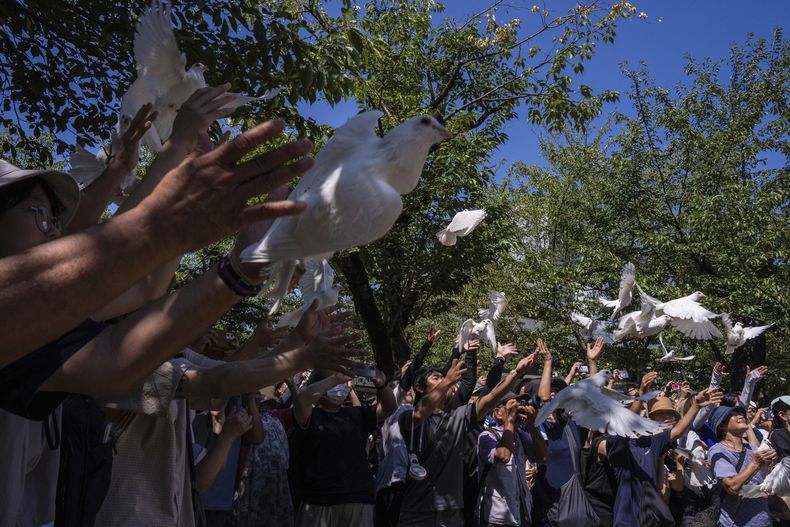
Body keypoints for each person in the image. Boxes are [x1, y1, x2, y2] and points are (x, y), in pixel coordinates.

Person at [0, 87, 312, 363]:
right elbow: (87, 251)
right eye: (37, 211)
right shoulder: (28, 314)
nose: (53, 229)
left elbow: (144, 288)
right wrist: (173, 156)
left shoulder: (44, 324)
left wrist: (241, 270)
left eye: (54, 219)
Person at [397, 352, 537, 527]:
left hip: (452, 512)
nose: (444, 381)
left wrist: (516, 372)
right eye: (436, 378)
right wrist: (447, 380)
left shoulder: (459, 415)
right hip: (416, 512)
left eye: (444, 377)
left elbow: (491, 398)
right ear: (419, 387)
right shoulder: (407, 416)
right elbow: (419, 414)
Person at [597, 372, 722, 527]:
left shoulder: (652, 442)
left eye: (669, 414)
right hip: (627, 518)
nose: (666, 417)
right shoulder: (619, 445)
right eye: (660, 414)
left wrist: (695, 405)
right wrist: (641, 394)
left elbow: (677, 431)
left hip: (653, 516)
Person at [291, 368, 397, 527]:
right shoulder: (310, 416)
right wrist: (335, 378)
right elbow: (302, 400)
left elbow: (389, 408)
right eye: (334, 381)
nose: (341, 385)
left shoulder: (358, 414)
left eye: (342, 382)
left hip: (358, 497)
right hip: (319, 500)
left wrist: (382, 386)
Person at [476, 393, 547, 526]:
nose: (517, 409)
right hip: (496, 517)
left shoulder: (520, 436)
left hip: (521, 513)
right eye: (512, 406)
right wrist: (509, 420)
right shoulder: (487, 436)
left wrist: (533, 425)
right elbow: (504, 455)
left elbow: (542, 457)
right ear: (498, 412)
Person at [708, 404, 777, 527]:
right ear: (722, 426)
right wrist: (755, 463)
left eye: (741, 414)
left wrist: (771, 464)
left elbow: (765, 483)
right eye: (732, 415)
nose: (740, 416)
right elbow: (732, 487)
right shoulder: (718, 451)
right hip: (737, 522)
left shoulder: (752, 448)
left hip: (764, 520)